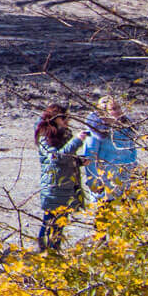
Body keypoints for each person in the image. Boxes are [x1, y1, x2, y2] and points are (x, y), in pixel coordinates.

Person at [34, 104, 85, 252]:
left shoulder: (65, 134)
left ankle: (54, 251)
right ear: (54, 118)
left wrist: (79, 161)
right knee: (50, 220)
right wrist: (77, 141)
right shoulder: (46, 137)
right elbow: (56, 158)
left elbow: (67, 158)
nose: (66, 120)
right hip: (54, 185)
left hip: (68, 185)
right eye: (63, 117)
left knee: (61, 222)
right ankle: (44, 251)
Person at [81, 97, 137, 205]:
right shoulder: (96, 130)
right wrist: (93, 181)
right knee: (104, 215)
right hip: (105, 179)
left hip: (126, 178)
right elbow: (90, 157)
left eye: (119, 108)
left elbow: (132, 151)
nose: (118, 111)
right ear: (104, 111)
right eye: (113, 109)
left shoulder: (127, 127)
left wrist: (134, 171)